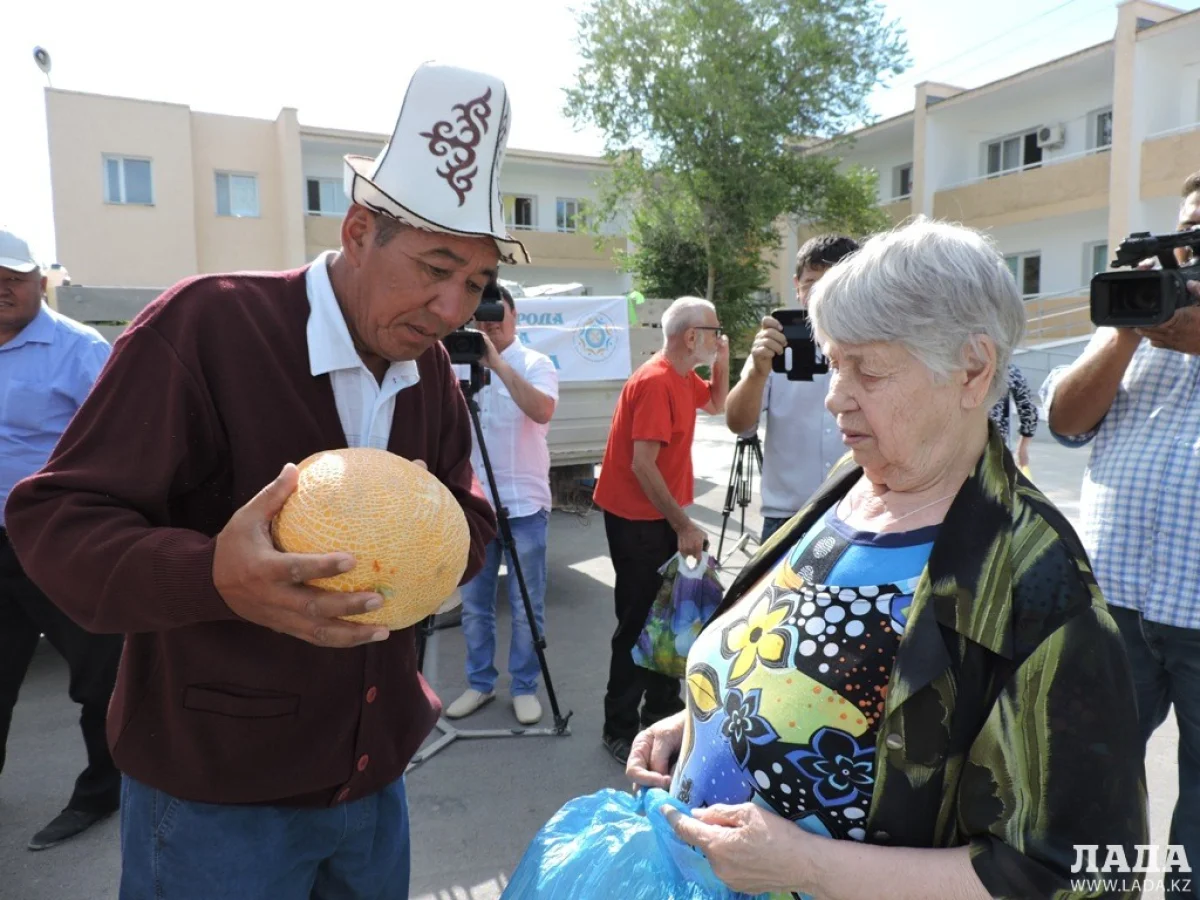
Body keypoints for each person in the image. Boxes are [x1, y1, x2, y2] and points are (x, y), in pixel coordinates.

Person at [3, 63, 521, 899]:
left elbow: (471, 517)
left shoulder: (431, 376)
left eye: (474, 283)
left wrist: (437, 548)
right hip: (216, 800)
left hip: (375, 782)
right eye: (434, 266)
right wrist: (214, 574)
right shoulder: (207, 325)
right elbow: (58, 521)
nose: (452, 307)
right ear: (358, 231)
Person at [627, 219, 1146, 899]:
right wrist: (705, 715)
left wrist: (807, 867)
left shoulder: (1038, 582)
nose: (835, 395)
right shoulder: (854, 478)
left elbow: (1082, 874)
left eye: (866, 369)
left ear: (972, 369)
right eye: (834, 362)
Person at [1040, 170, 1200, 899]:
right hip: (1117, 605)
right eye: (1185, 235)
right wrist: (1128, 334)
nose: (1189, 255)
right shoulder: (1135, 316)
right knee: (1090, 785)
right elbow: (1065, 421)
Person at [0, 227, 124, 851]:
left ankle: (104, 792)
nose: (2, 289)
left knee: (99, 675)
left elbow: (117, 445)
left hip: (57, 541)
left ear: (40, 283)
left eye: (13, 278)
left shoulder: (78, 349)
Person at [592, 296, 729, 765]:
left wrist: (724, 361)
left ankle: (663, 716)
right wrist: (684, 525)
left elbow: (717, 403)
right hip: (637, 521)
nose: (718, 337)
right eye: (715, 331)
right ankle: (620, 727)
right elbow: (643, 466)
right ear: (692, 337)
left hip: (657, 519)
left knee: (667, 619)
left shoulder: (683, 375)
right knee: (638, 624)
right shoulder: (655, 381)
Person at [445, 284, 558, 726]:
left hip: (525, 504)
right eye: (480, 318)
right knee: (475, 604)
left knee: (527, 602)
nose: (488, 325)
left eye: (497, 316)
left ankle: (525, 687)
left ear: (515, 316)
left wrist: (496, 363)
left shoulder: (536, 363)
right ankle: (480, 683)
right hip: (475, 506)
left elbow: (542, 410)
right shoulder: (455, 362)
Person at [724, 235, 860, 543]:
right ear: (796, 285)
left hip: (860, 510)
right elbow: (738, 424)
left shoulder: (879, 346)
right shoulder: (773, 345)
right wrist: (757, 373)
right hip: (787, 518)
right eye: (812, 282)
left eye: (834, 281)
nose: (821, 293)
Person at [988, 362, 1038, 469]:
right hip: (995, 450)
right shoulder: (1006, 369)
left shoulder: (956, 366)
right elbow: (1029, 410)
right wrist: (1022, 448)